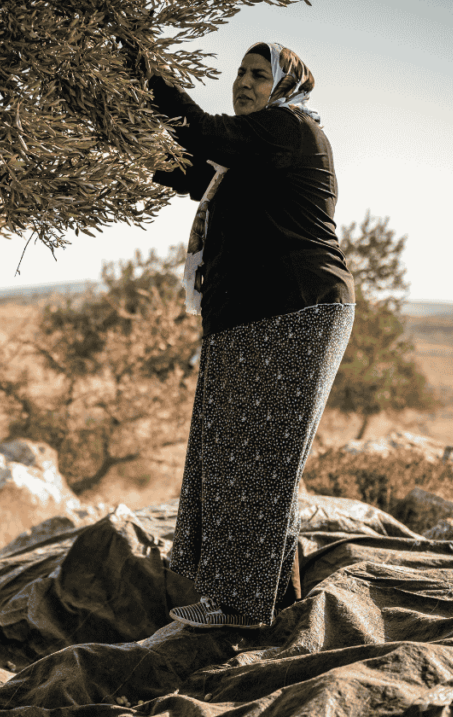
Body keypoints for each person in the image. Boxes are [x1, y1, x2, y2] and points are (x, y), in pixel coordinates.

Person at [147, 42, 356, 629]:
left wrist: (146, 74)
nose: (244, 82)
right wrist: (108, 118)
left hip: (295, 311)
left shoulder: (287, 131)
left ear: (286, 86)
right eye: (240, 72)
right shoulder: (246, 155)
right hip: (257, 316)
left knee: (255, 454)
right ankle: (276, 599)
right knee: (251, 453)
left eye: (259, 74)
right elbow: (184, 166)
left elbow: (205, 134)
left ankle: (240, 607)